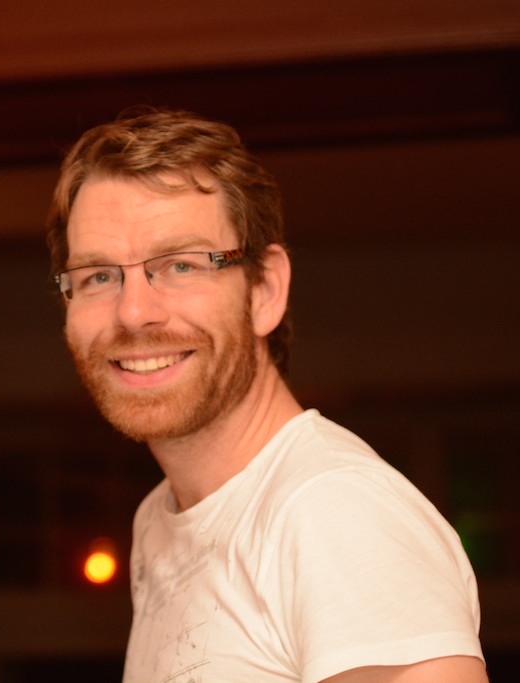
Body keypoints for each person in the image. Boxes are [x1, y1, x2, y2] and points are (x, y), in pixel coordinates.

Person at [46, 107, 487, 683]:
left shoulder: (334, 511)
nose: (133, 312)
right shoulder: (160, 519)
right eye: (99, 276)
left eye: (181, 265)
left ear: (265, 290)